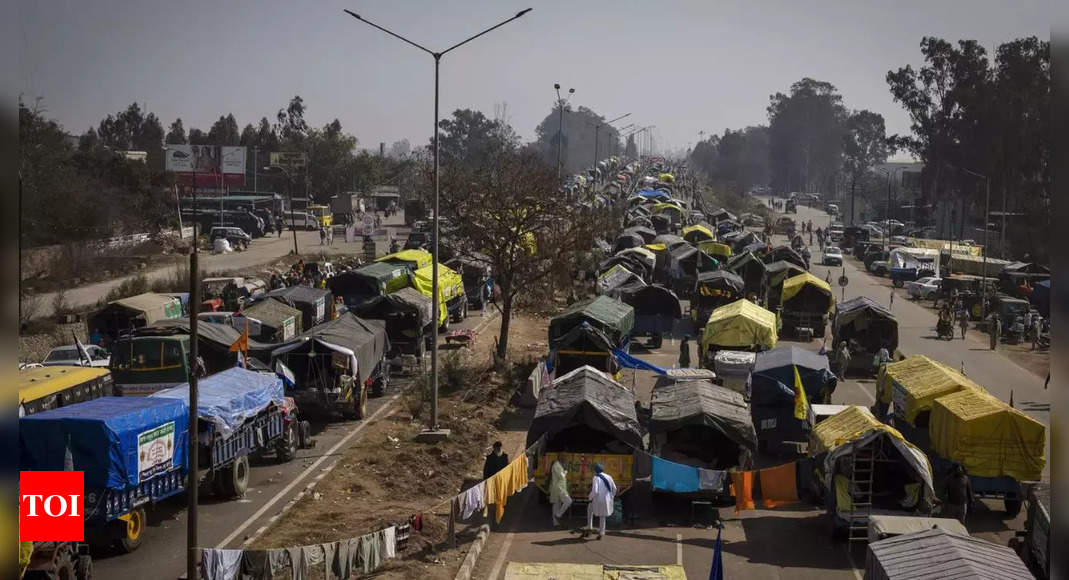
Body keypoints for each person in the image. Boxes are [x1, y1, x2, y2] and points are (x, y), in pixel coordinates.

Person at [587, 463, 617, 539]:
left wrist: (590, 498)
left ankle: (590, 528)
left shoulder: (596, 477)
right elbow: (615, 488)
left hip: (598, 500)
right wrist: (611, 496)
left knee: (590, 510)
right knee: (603, 516)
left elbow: (595, 491)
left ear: (595, 470)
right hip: (607, 500)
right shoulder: (609, 476)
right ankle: (601, 533)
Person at [549, 457, 572, 527]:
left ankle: (556, 523)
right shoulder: (556, 465)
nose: (565, 460)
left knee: (556, 505)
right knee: (568, 501)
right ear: (560, 459)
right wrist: (565, 471)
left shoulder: (558, 465)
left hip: (558, 488)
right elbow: (561, 476)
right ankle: (558, 515)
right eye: (564, 459)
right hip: (559, 488)